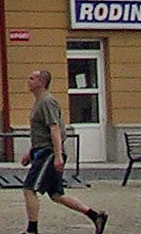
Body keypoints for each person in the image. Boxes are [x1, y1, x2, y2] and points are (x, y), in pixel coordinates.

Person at [21, 68, 107, 233]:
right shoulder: (40, 102)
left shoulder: (47, 101)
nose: (28, 81)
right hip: (42, 150)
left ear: (41, 83)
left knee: (29, 188)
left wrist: (58, 156)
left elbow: (54, 129)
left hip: (49, 153)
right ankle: (95, 216)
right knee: (56, 195)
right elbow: (42, 131)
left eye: (32, 78)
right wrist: (30, 151)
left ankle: (32, 230)